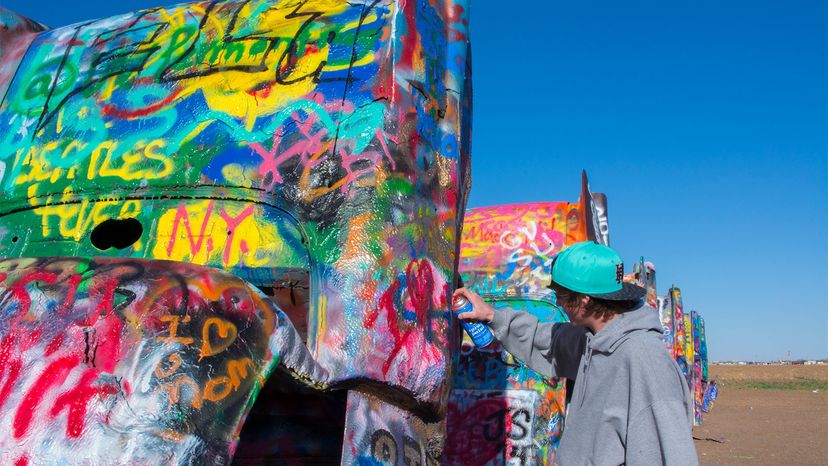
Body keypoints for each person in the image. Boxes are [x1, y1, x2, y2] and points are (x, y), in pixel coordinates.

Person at [455, 241, 698, 466]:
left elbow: (671, 454)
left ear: (583, 300)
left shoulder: (644, 361)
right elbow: (547, 339)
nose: (558, 304)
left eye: (560, 296)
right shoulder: (593, 339)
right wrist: (491, 316)